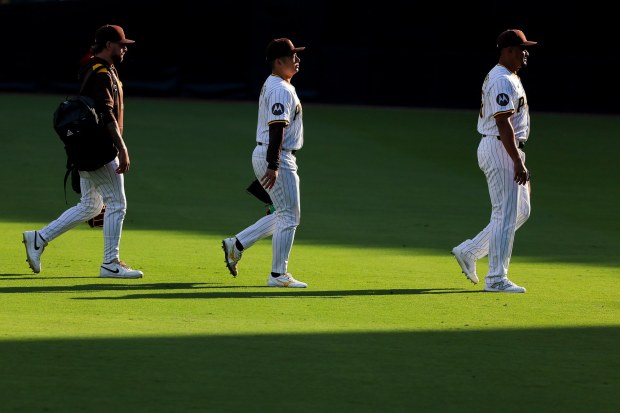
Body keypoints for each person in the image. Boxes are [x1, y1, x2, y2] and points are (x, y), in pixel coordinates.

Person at [22, 24, 143, 279]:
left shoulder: (99, 68)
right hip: (99, 149)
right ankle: (110, 263)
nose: (124, 49)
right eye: (121, 44)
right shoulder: (100, 72)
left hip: (87, 148)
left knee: (90, 205)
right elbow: (106, 113)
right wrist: (122, 148)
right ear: (108, 45)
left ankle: (39, 238)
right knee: (116, 204)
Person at [451, 29, 538, 293]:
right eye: (522, 48)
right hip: (500, 146)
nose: (526, 53)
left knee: (520, 211)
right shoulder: (502, 79)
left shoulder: (510, 76)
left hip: (505, 147)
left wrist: (518, 157)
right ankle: (496, 279)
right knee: (504, 213)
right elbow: (503, 122)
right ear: (508, 50)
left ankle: (470, 250)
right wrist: (516, 161)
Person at [222, 38, 308, 288]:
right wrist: (274, 163)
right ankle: (277, 275)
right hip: (276, 156)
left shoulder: (276, 84)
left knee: (283, 213)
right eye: (293, 56)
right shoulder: (280, 88)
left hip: (271, 154)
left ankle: (236, 244)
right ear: (278, 62)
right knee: (289, 216)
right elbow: (278, 127)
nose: (297, 59)